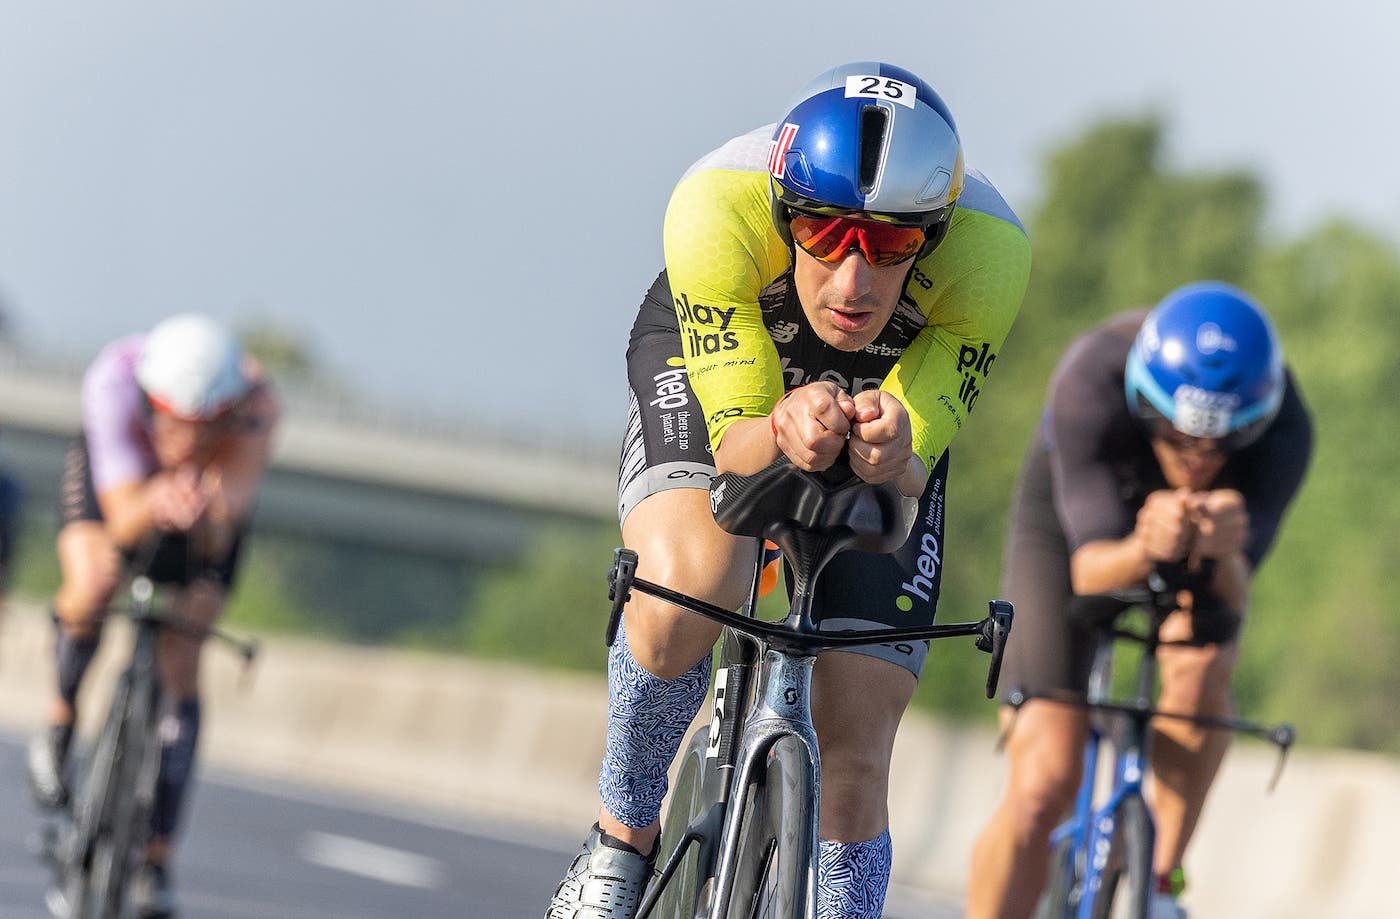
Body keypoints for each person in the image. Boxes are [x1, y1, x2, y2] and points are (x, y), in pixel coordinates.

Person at [545, 61, 1031, 919]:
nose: (855, 281)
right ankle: (619, 840)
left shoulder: (993, 255)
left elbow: (915, 458)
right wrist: (775, 425)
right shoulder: (714, 208)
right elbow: (737, 447)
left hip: (883, 389)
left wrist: (895, 450)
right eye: (824, 234)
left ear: (940, 230)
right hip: (731, 361)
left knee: (858, 734)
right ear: (780, 208)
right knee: (687, 594)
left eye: (891, 244)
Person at [966, 282, 1313, 919]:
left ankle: (1162, 875)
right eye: (1175, 435)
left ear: (1256, 423)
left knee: (1203, 668)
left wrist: (1229, 554)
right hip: (1075, 533)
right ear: (1143, 402)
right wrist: (1145, 544)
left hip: (1199, 547)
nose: (1197, 459)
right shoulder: (1091, 379)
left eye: (1222, 444)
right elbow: (1091, 571)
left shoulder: (1287, 429)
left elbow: (1233, 599)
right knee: (1045, 782)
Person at [27, 313, 279, 919]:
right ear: (149, 402)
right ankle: (61, 719)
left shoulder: (257, 407)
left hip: (202, 503)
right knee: (94, 580)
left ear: (228, 413)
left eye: (203, 429)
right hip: (121, 484)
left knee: (185, 646)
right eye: (172, 423)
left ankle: (156, 859)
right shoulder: (113, 384)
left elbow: (223, 529)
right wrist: (152, 501)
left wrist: (205, 514)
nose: (185, 443)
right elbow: (119, 521)